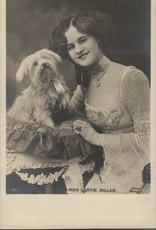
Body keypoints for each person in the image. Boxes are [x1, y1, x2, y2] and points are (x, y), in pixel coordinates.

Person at [10, 12, 150, 193]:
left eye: (82, 40)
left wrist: (97, 138)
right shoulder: (84, 82)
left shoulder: (131, 77)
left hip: (137, 177)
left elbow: (148, 140)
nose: (78, 50)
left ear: (98, 38)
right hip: (100, 171)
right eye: (71, 46)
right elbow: (66, 112)